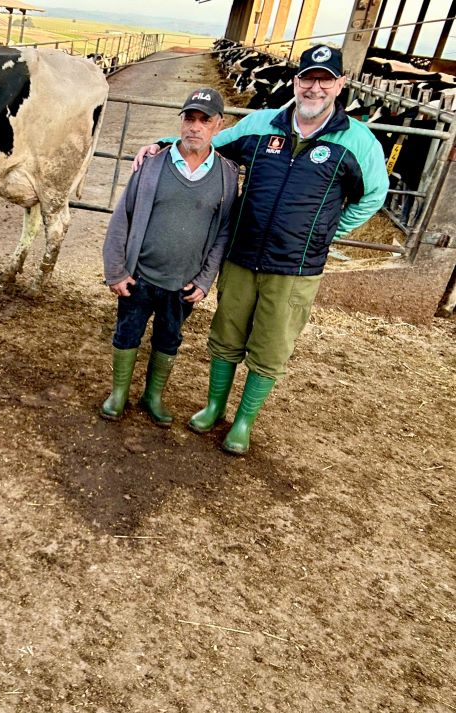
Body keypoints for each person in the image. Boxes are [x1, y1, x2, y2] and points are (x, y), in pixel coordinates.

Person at [134, 45, 388, 454]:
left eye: (325, 79)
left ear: (340, 84)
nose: (315, 88)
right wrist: (161, 144)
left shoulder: (358, 142)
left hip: (295, 268)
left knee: (271, 347)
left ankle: (244, 421)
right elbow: (212, 145)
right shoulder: (261, 123)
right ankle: (214, 406)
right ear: (296, 81)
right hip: (242, 255)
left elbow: (373, 196)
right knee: (226, 335)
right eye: (308, 78)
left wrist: (327, 231)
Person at [101, 87, 239, 428]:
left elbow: (223, 232)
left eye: (204, 120)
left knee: (169, 338)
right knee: (127, 332)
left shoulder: (226, 175)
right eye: (189, 118)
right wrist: (116, 270)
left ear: (219, 125)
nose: (195, 127)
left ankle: (153, 395)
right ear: (181, 122)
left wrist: (205, 280)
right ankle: (119, 393)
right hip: (140, 275)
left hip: (183, 282)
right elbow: (123, 217)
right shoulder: (151, 164)